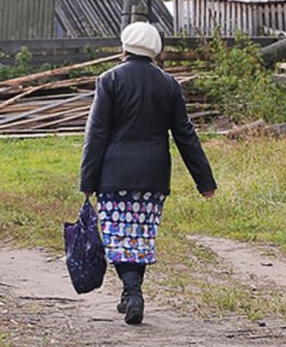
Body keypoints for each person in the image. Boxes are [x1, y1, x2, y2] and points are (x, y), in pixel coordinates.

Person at [79, 22, 217, 325]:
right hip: (153, 177)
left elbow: (97, 133)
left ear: (125, 47)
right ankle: (131, 294)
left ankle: (132, 290)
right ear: (156, 50)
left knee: (118, 236)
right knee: (140, 236)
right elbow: (186, 135)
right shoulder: (168, 84)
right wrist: (204, 181)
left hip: (114, 175)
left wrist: (88, 180)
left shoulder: (110, 79)